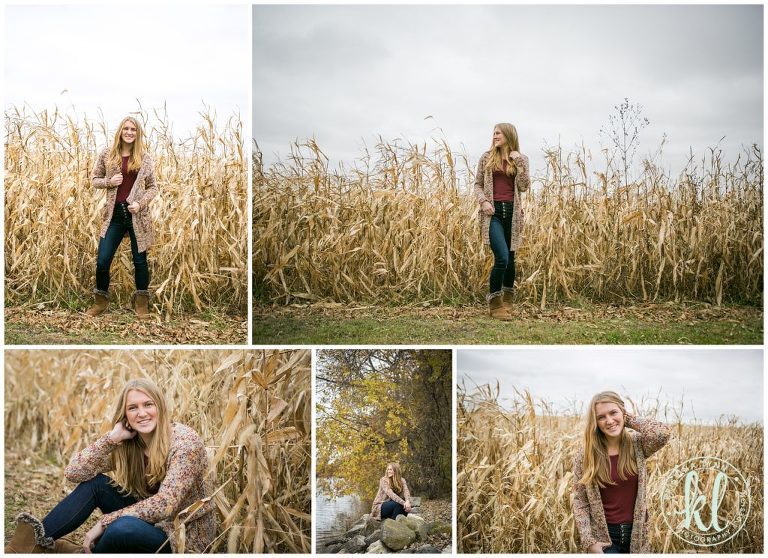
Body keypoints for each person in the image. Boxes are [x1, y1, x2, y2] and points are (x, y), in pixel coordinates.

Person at [5, 379, 215, 554]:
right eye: (133, 408)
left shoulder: (185, 443)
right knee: (96, 485)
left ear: (160, 407)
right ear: (125, 417)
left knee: (120, 527)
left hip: (181, 538)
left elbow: (166, 504)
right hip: (151, 522)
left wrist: (106, 521)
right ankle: (27, 547)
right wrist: (111, 439)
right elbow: (73, 472)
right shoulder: (130, 444)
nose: (141, 413)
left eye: (148, 405)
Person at [571, 391, 671, 553]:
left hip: (637, 535)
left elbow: (663, 433)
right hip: (604, 539)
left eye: (613, 412)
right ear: (595, 422)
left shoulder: (637, 444)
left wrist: (627, 418)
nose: (609, 421)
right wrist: (589, 542)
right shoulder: (586, 455)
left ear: (623, 412)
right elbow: (580, 501)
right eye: (601, 417)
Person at [86, 116, 158, 319]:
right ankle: (100, 303)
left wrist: (140, 204)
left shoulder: (144, 158)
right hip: (114, 215)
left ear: (137, 133)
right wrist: (110, 181)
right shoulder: (107, 154)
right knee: (103, 260)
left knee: (140, 261)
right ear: (120, 131)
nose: (129, 132)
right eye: (126, 128)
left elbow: (153, 187)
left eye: (133, 129)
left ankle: (142, 305)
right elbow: (94, 180)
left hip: (136, 215)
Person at [473, 123, 530, 320]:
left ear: (508, 135)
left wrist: (520, 163)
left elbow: (523, 186)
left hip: (513, 214)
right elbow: (478, 185)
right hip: (493, 214)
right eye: (494, 133)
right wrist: (484, 202)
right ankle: (495, 304)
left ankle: (507, 301)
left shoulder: (521, 160)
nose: (495, 136)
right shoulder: (486, 158)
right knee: (502, 258)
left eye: (498, 133)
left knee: (511, 259)